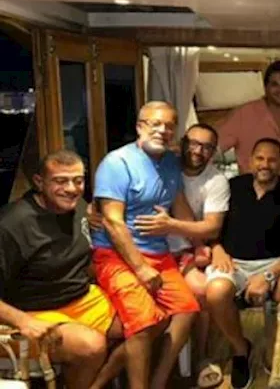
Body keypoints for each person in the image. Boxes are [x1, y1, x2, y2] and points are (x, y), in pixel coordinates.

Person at [91, 101, 200, 389]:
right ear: (140, 127)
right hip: (116, 255)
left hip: (158, 253)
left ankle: (158, 382)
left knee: (187, 309)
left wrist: (203, 243)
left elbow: (180, 207)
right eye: (155, 124)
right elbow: (112, 221)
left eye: (169, 126)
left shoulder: (171, 162)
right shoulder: (116, 163)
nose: (162, 130)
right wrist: (140, 268)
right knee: (143, 323)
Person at [0, 150, 123, 388]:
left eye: (78, 181)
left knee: (140, 322)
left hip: (81, 298)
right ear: (39, 182)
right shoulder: (11, 225)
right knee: (90, 347)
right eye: (60, 181)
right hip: (32, 310)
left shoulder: (78, 207)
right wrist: (22, 320)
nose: (71, 189)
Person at [205, 137, 280, 389]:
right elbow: (211, 228)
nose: (265, 164)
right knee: (216, 292)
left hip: (275, 263)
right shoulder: (231, 187)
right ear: (250, 160)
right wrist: (216, 248)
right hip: (233, 263)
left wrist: (268, 276)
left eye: (272, 159)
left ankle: (274, 347)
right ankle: (241, 349)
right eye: (260, 158)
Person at [166, 123, 230, 388]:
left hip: (186, 250)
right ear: (183, 142)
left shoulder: (216, 180)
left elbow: (212, 227)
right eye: (193, 143)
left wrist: (201, 244)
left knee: (204, 291)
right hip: (154, 249)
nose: (197, 151)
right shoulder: (166, 166)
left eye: (206, 147)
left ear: (213, 152)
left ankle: (202, 358)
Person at [217, 60, 280, 196]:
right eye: (274, 84)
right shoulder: (244, 113)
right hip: (253, 196)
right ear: (265, 87)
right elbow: (214, 147)